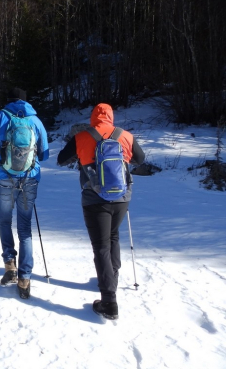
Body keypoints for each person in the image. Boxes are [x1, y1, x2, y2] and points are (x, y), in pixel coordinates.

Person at [56, 103, 145, 319]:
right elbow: (140, 159)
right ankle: (111, 276)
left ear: (93, 117)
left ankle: (109, 302)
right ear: (111, 117)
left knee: (101, 246)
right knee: (113, 236)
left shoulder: (82, 136)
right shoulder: (125, 136)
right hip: (122, 198)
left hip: (94, 199)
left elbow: (60, 159)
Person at [0, 88, 49, 299]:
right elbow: (45, 154)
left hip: (5, 178)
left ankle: (9, 265)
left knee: (4, 221)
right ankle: (25, 277)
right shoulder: (35, 121)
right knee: (25, 229)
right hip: (29, 178)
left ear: (9, 100)